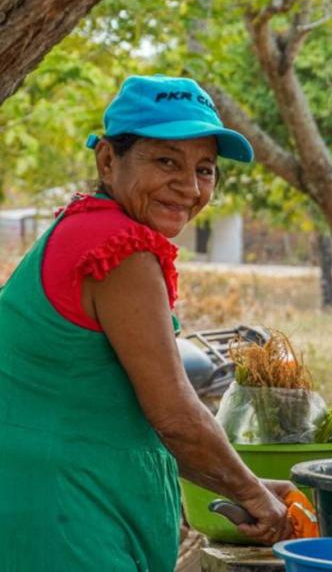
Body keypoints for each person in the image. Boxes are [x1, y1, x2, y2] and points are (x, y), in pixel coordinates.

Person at [0, 75, 293, 571]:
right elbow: (176, 416)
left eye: (205, 169)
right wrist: (259, 500)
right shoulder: (119, 251)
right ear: (108, 161)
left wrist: (246, 485)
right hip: (64, 512)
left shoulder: (89, 228)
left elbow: (123, 409)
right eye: (166, 162)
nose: (190, 186)